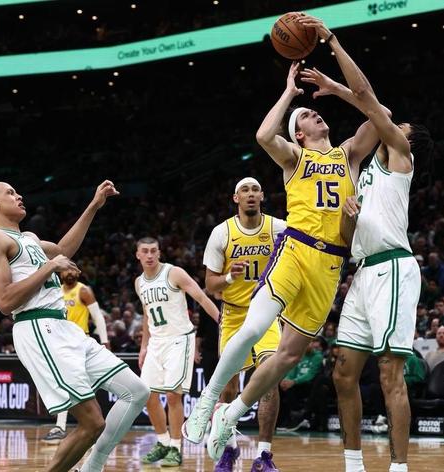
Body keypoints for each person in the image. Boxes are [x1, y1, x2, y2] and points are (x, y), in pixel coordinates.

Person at [183, 20, 382, 465]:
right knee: (255, 329)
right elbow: (262, 136)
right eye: (307, 116)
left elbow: (376, 111)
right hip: (295, 249)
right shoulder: (295, 157)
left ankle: (231, 413)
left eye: (313, 110)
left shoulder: (349, 154)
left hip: (331, 265)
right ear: (299, 134)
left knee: (289, 355)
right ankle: (209, 399)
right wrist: (290, 93)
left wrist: (336, 81)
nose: (315, 113)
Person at [296, 16, 431, 472]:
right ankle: (354, 465)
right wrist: (349, 219)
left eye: (399, 126)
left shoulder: (401, 157)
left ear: (406, 140)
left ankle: (398, 467)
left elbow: (371, 101)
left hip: (392, 267)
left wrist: (332, 46)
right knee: (342, 372)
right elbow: (349, 238)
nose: (392, 125)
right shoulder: (366, 170)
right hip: (362, 272)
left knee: (390, 374)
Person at [0, 181, 149, 472]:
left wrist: (93, 206)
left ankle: (91, 467)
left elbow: (63, 250)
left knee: (137, 391)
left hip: (64, 327)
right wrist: (49, 267)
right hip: (37, 326)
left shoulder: (28, 238)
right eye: (10, 193)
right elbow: (5, 301)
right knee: (92, 422)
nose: (19, 195)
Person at [201, 177, 285, 471]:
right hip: (234, 314)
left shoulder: (279, 228)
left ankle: (264, 456)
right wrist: (229, 278)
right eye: (244, 191)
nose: (250, 194)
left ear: (262, 196)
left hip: (266, 311)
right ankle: (229, 449)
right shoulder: (222, 232)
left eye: (255, 190)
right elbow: (210, 285)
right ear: (235, 198)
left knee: (269, 378)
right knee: (228, 387)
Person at [135, 237, 219, 467]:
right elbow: (147, 314)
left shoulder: (174, 273)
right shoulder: (139, 282)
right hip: (156, 342)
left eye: (153, 251)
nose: (150, 255)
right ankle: (162, 442)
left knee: (173, 395)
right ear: (138, 255)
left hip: (179, 339)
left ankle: (175, 447)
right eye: (145, 251)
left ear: (159, 253)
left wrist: (222, 322)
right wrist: (143, 346)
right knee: (147, 395)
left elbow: (201, 297)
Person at [42, 269, 109, 444]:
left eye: (72, 269)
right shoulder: (55, 291)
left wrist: (105, 340)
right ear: (60, 273)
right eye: (66, 270)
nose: (69, 273)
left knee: (84, 385)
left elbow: (98, 317)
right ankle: (61, 427)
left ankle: (90, 425)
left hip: (80, 341)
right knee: (64, 384)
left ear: (78, 272)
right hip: (59, 342)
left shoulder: (83, 290)